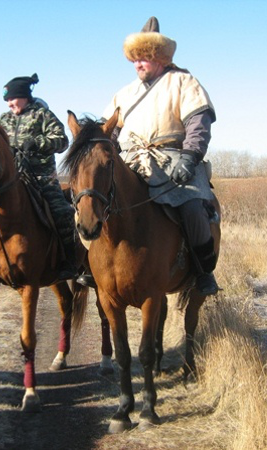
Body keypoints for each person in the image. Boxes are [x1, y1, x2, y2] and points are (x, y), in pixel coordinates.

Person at [100, 17, 219, 295]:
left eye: (144, 58)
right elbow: (109, 132)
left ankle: (203, 272)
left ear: (160, 57)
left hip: (172, 159)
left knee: (192, 209)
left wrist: (190, 156)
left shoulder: (184, 82)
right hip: (131, 161)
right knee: (95, 202)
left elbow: (199, 123)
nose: (138, 64)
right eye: (135, 59)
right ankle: (91, 268)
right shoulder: (124, 93)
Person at [0, 73, 78, 281]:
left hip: (41, 177)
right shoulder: (3, 120)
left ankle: (70, 262)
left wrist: (37, 142)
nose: (9, 104)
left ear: (24, 96)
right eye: (6, 100)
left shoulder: (42, 115)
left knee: (62, 214)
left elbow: (62, 141)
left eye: (12, 99)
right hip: (11, 179)